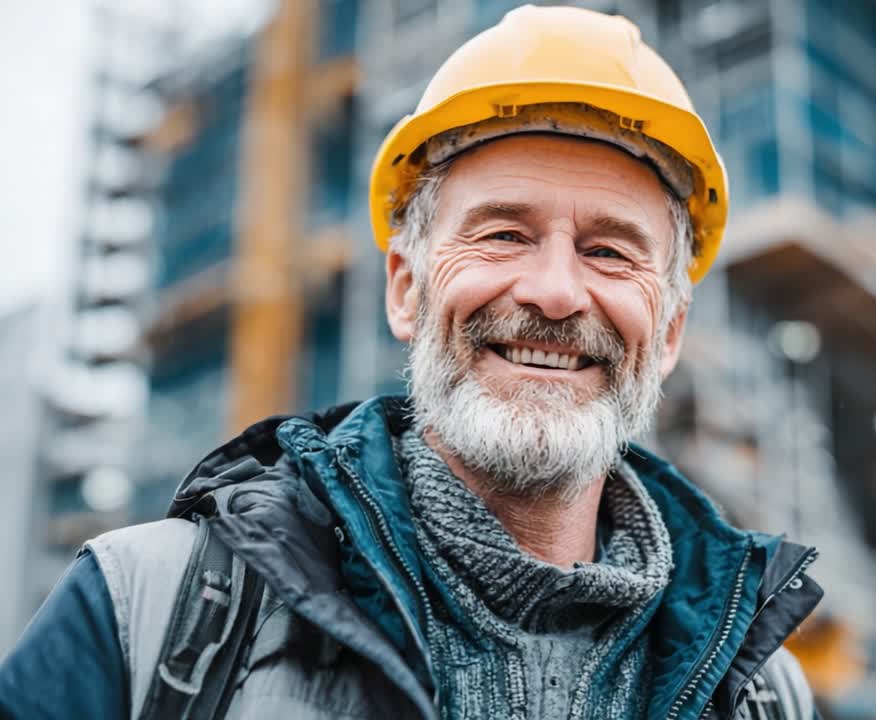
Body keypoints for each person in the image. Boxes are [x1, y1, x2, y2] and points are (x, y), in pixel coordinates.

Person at [0, 5, 822, 719]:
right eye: (504, 233)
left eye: (611, 252)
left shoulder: (762, 698)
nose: (556, 291)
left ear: (669, 332)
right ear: (405, 288)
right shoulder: (143, 609)